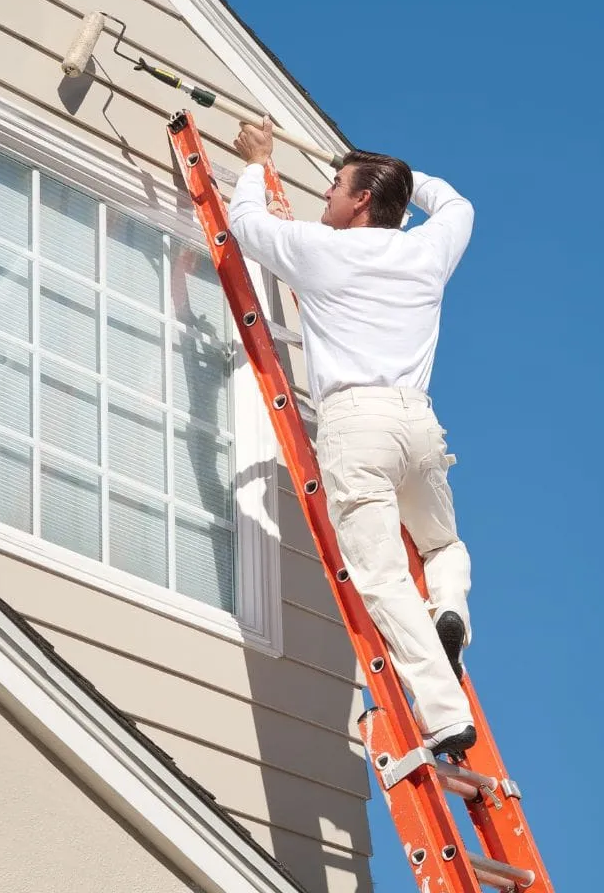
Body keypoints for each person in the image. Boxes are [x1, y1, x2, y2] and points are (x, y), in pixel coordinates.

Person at [227, 115, 479, 756]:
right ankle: (449, 608)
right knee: (442, 545)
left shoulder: (323, 250)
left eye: (337, 185)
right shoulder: (427, 252)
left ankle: (446, 714)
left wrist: (257, 161)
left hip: (357, 424)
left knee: (383, 576)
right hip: (419, 423)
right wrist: (402, 176)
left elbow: (248, 226)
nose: (326, 196)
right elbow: (456, 204)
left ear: (363, 200)